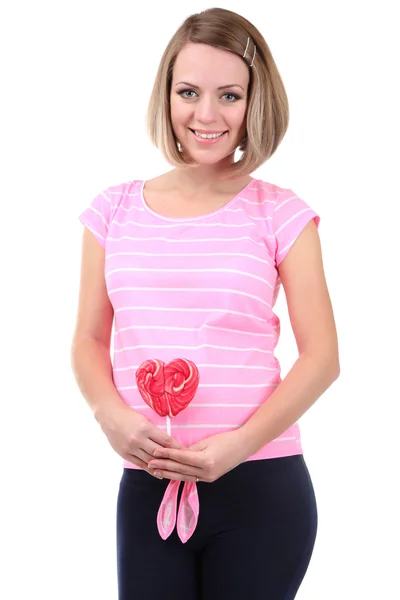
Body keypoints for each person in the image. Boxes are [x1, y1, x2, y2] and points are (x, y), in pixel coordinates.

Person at [71, 7, 340, 600]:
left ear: (256, 101)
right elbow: (89, 339)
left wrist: (238, 446)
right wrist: (109, 415)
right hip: (149, 486)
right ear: (166, 92)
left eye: (230, 94)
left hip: (263, 489)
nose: (207, 114)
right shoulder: (111, 211)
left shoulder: (281, 211)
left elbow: (322, 357)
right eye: (189, 91)